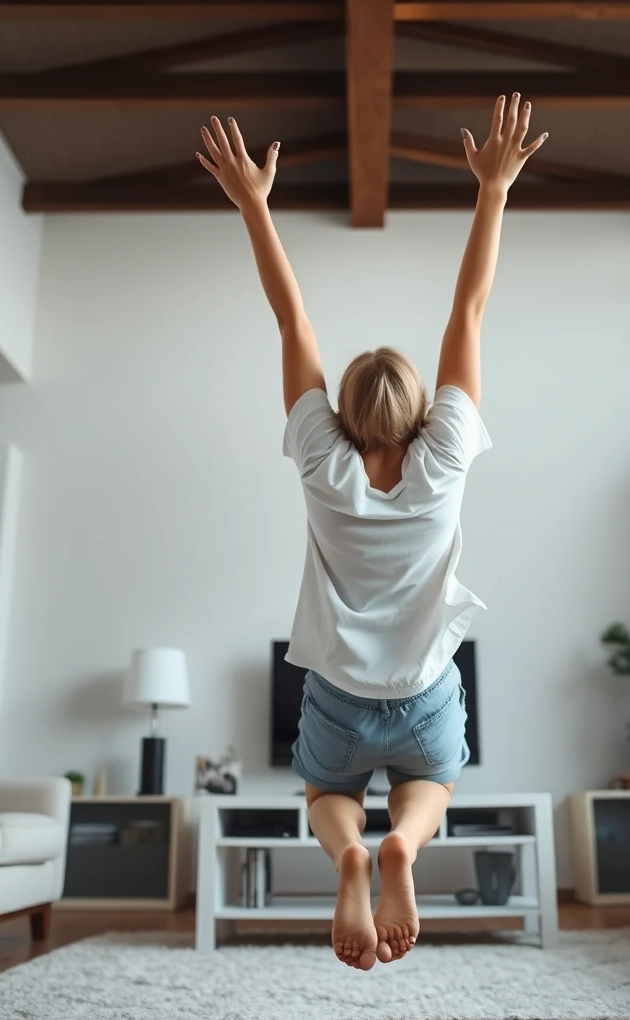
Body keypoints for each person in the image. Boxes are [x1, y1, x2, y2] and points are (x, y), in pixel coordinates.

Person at [196, 95, 547, 971]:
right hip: (426, 691)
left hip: (340, 699)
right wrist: (492, 190)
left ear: (344, 415)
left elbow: (293, 319)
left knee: (325, 792)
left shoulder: (323, 459)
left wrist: (254, 205)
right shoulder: (446, 457)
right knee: (433, 782)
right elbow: (470, 309)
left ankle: (354, 850)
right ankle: (404, 847)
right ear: (424, 412)